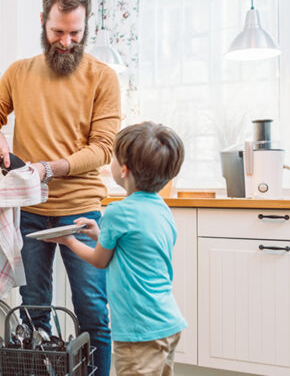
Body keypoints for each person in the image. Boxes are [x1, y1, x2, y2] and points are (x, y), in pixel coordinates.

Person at [0, 0, 121, 375]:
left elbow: (103, 148)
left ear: (86, 25)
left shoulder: (103, 77)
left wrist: (47, 168)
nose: (67, 42)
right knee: (35, 310)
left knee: (92, 312)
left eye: (76, 32)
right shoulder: (19, 72)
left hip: (82, 212)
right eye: (58, 31)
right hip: (32, 209)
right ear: (42, 22)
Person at [46, 121, 188, 376]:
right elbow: (135, 248)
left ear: (123, 170)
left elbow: (99, 260)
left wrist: (69, 240)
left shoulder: (118, 211)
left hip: (139, 330)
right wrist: (100, 233)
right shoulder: (161, 207)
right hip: (167, 322)